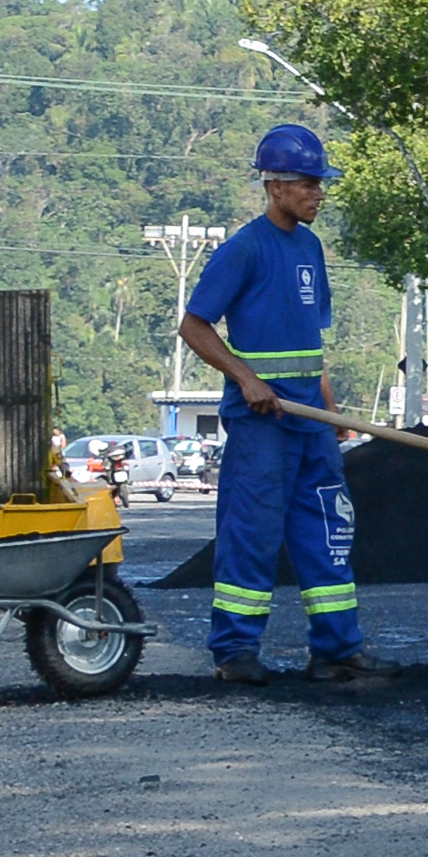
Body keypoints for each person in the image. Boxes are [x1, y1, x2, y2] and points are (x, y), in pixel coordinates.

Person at [180, 124, 361, 685]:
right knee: (253, 532)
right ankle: (234, 652)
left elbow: (312, 342)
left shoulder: (310, 248)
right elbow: (193, 325)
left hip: (311, 423)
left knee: (329, 529)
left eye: (320, 183)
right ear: (277, 185)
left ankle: (336, 650)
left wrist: (332, 412)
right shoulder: (244, 249)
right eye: (310, 183)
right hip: (262, 425)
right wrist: (246, 378)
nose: (319, 194)